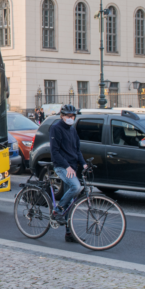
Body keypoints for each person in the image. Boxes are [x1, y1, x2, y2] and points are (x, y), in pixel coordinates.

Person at [49, 104, 87, 243]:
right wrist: (67, 166)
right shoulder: (56, 128)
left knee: (71, 202)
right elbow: (55, 152)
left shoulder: (72, 130)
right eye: (68, 116)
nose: (70, 118)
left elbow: (77, 150)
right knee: (75, 187)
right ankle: (58, 210)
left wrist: (83, 163)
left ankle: (69, 233)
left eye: (72, 116)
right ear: (62, 116)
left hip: (72, 167)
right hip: (61, 166)